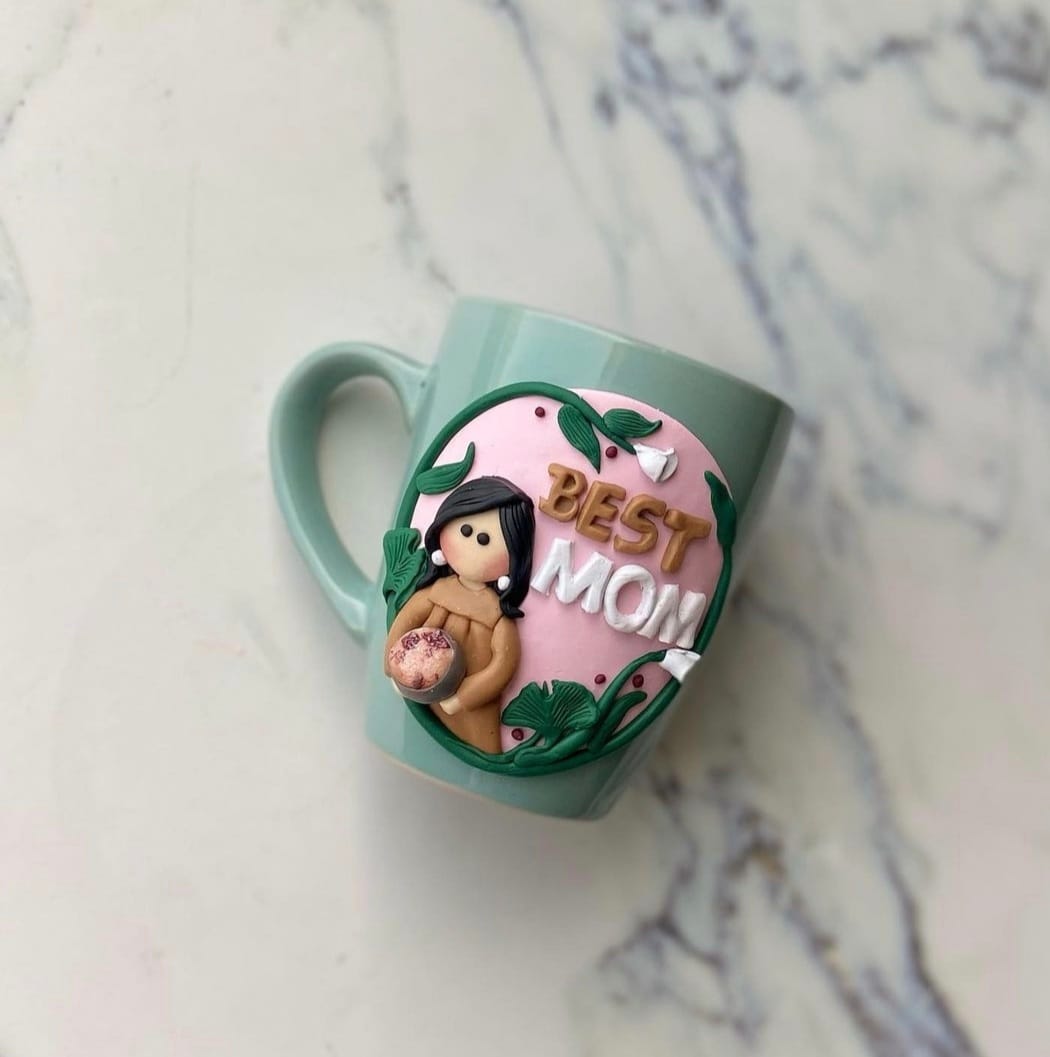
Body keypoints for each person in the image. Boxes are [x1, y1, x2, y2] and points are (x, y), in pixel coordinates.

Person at [384, 476, 535, 753]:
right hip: (418, 684)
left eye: (486, 540)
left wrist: (465, 697)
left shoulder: (497, 616)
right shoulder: (434, 592)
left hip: (470, 709)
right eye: (465, 530)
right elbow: (403, 624)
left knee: (479, 740)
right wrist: (394, 669)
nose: (474, 544)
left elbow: (503, 666)